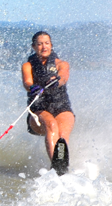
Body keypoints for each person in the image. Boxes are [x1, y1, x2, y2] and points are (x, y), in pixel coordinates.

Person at [22, 31, 74, 174]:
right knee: (51, 125)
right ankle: (56, 169)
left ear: (51, 45)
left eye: (47, 43)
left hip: (61, 105)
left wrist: (57, 81)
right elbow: (27, 81)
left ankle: (63, 167)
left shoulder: (61, 64)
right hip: (39, 109)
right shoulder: (28, 65)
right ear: (34, 47)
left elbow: (63, 76)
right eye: (39, 44)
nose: (43, 47)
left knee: (62, 135)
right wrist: (32, 87)